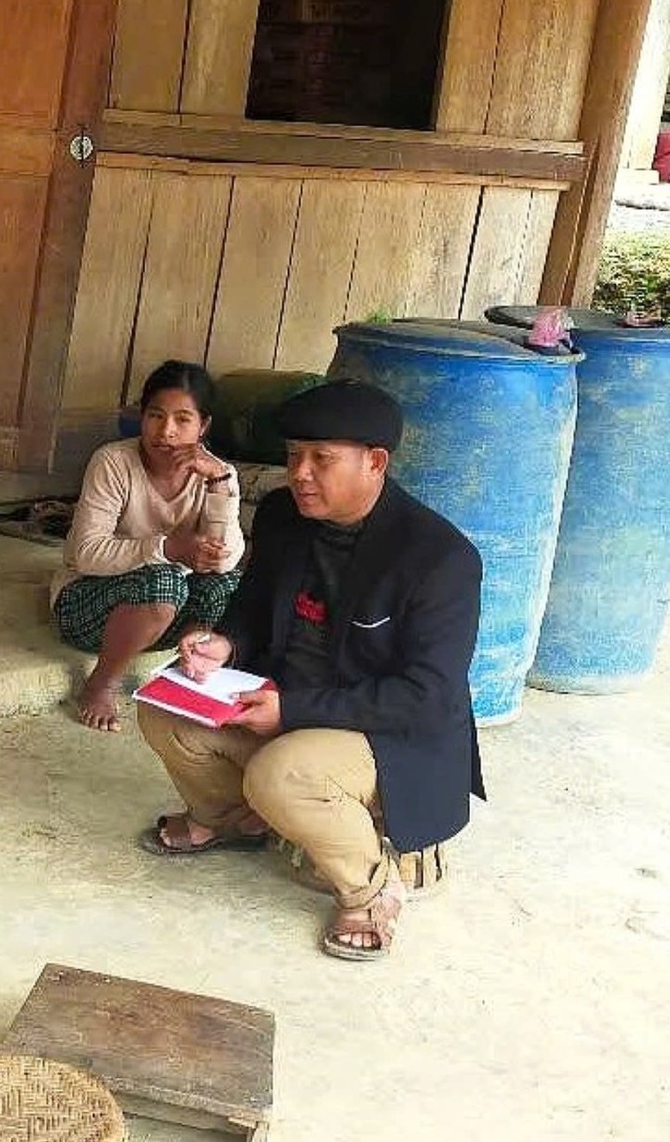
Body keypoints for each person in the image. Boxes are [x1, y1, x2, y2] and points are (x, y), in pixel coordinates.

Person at [135, 379, 484, 963]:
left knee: (283, 772)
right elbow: (253, 603)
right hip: (285, 700)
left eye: (322, 459)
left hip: (385, 733)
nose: (300, 472)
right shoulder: (283, 516)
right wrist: (225, 644)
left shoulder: (439, 558)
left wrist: (292, 711)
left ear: (375, 462)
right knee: (163, 707)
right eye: (295, 455)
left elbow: (427, 695)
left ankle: (372, 890)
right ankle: (230, 820)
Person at [54, 361, 244, 731]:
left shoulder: (218, 472)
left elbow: (224, 561)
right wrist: (168, 548)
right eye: (156, 416)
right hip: (88, 605)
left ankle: (189, 659)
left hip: (166, 611)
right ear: (141, 418)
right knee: (165, 580)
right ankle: (101, 682)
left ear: (203, 427)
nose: (167, 432)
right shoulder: (113, 462)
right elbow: (86, 554)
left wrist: (220, 486)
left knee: (229, 583)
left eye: (183, 420)